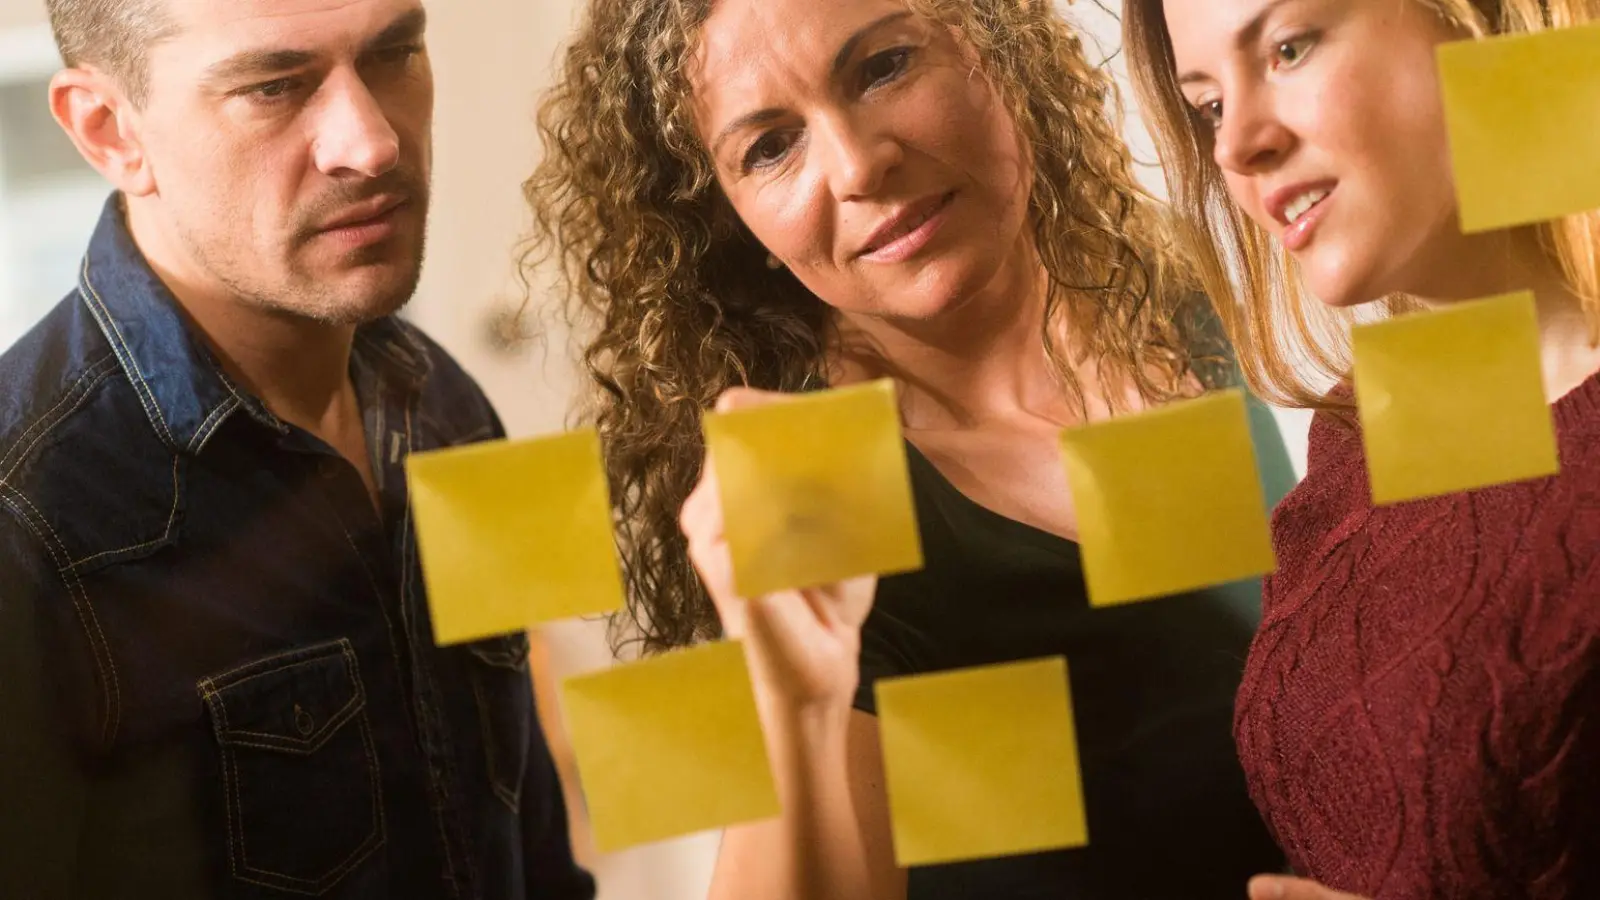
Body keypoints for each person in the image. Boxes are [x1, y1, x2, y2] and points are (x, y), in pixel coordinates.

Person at [526, 0, 1295, 897]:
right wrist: (791, 711)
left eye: (883, 67)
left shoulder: (1162, 289)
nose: (859, 166)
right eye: (770, 147)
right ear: (732, 221)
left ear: (997, 44)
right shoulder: (819, 488)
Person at [0, 1, 595, 897]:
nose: (373, 143)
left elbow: (535, 850)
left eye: (395, 52)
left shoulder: (439, 399)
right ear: (110, 129)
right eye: (274, 86)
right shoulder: (26, 519)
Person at [1123, 0, 1600, 898]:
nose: (1235, 146)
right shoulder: (1367, 423)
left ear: (1484, 19)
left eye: (1288, 49)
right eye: (1209, 106)